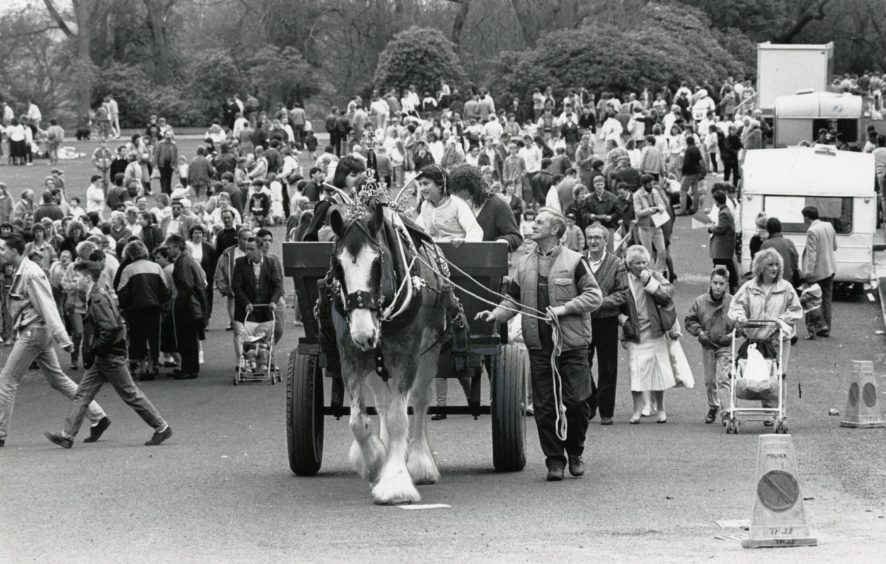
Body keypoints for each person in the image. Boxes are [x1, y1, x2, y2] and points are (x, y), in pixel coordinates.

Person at [476, 209, 602, 481]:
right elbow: (512, 301)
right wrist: (495, 315)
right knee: (545, 407)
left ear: (556, 230)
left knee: (579, 402)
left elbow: (595, 296)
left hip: (572, 345)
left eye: (540, 222)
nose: (533, 225)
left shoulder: (575, 261)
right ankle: (554, 460)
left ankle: (576, 452)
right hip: (539, 346)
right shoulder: (523, 263)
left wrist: (565, 308)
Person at [44, 260, 172, 448]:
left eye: (78, 276)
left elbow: (110, 328)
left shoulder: (96, 298)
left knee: (129, 394)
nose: (75, 280)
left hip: (109, 355)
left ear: (87, 278)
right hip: (106, 355)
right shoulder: (99, 292)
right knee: (83, 394)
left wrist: (96, 347)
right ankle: (67, 435)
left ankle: (161, 427)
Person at [0, 234, 109, 447]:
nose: (1, 253)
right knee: (57, 379)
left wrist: (62, 337)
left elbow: (47, 306)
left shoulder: (31, 273)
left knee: (7, 381)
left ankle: (0, 433)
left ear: (14, 251)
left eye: (4, 249)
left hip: (34, 332)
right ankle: (98, 415)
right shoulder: (23, 270)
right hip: (36, 331)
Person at [728, 248, 803, 423]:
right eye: (770, 264)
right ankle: (768, 410)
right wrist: (741, 317)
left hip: (778, 338)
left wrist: (782, 319)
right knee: (760, 375)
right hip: (755, 339)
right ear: (761, 267)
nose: (774, 268)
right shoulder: (749, 287)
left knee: (779, 374)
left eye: (777, 264)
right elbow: (736, 306)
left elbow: (796, 310)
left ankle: (778, 412)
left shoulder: (786, 288)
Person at [618, 244, 677, 424]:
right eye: (637, 263)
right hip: (634, 331)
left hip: (655, 331)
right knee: (636, 371)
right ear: (630, 264)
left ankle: (660, 408)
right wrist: (622, 321)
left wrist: (651, 283)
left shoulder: (655, 275)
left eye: (644, 262)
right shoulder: (623, 280)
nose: (642, 266)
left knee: (658, 371)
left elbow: (668, 295)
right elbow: (616, 300)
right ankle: (637, 410)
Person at [584, 223, 628, 425]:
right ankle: (591, 400)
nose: (593, 241)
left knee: (608, 367)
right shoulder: (578, 261)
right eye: (590, 237)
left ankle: (606, 412)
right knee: (581, 364)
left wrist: (601, 302)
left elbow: (623, 294)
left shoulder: (617, 263)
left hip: (607, 321)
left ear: (605, 240)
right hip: (582, 321)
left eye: (597, 238)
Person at [684, 266, 734, 424]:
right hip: (708, 344)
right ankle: (713, 406)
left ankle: (727, 412)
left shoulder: (732, 302)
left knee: (723, 378)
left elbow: (741, 323)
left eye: (721, 283)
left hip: (725, 344)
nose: (718, 287)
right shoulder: (700, 302)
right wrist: (699, 332)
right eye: (715, 283)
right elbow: (689, 320)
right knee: (710, 380)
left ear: (726, 284)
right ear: (710, 283)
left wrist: (732, 335)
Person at [116, 240, 169, 381]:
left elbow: (122, 291)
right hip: (154, 308)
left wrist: (124, 308)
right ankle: (152, 365)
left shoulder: (128, 270)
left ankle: (142, 365)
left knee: (138, 338)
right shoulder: (156, 267)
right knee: (153, 337)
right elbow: (165, 289)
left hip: (135, 310)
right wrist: (162, 304)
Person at [231, 235, 283, 366]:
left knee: (267, 335)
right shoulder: (240, 263)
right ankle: (247, 362)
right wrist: (246, 302)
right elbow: (236, 286)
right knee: (247, 336)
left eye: (251, 249)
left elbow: (277, 285)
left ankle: (267, 360)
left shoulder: (270, 263)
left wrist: (273, 301)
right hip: (247, 308)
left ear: (260, 249)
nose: (247, 252)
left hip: (265, 307)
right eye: (246, 249)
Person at [448, 164, 522, 251]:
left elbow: (515, 236)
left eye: (457, 190)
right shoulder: (456, 205)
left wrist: (503, 241)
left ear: (470, 188)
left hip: (488, 260)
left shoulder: (498, 205)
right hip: (461, 260)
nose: (454, 194)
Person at [166, 234, 207, 380]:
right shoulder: (186, 259)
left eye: (170, 248)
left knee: (187, 338)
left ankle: (189, 369)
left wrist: (179, 304)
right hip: (191, 304)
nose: (168, 251)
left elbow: (187, 285)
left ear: (177, 247)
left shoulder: (183, 262)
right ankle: (189, 367)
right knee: (189, 338)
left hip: (188, 305)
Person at [414, 165, 483, 244]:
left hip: (456, 252)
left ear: (440, 184)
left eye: (426, 184)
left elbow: (475, 232)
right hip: (433, 253)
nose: (422, 188)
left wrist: (465, 242)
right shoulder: (425, 206)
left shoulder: (457, 205)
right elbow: (418, 229)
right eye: (420, 184)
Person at [800, 206, 837, 336]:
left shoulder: (812, 231)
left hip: (818, 271)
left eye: (803, 217)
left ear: (807, 217)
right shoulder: (828, 226)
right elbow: (834, 246)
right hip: (830, 268)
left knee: (814, 301)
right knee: (827, 299)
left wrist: (808, 273)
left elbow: (811, 254)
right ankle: (826, 327)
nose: (803, 219)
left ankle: (819, 326)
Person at [632, 174, 668, 275]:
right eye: (648, 185)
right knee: (648, 254)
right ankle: (649, 274)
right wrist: (649, 210)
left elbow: (662, 204)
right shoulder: (637, 195)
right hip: (645, 228)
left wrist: (661, 207)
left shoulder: (655, 192)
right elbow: (638, 212)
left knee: (662, 252)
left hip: (657, 225)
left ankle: (658, 273)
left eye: (652, 184)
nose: (651, 186)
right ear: (643, 185)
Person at [707, 190, 738, 293]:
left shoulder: (724, 213)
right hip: (724, 245)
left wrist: (711, 228)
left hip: (722, 245)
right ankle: (733, 285)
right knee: (728, 265)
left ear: (717, 201)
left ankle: (717, 285)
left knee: (719, 265)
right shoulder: (725, 210)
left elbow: (720, 229)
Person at [759, 217, 799, 288]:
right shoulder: (789, 243)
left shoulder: (765, 245)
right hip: (789, 282)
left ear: (768, 230)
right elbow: (795, 262)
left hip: (772, 283)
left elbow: (760, 265)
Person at [680, 135, 705, 214]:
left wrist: (683, 172)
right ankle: (695, 208)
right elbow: (701, 160)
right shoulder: (697, 149)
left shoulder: (688, 150)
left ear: (687, 142)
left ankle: (683, 209)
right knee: (695, 190)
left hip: (689, 172)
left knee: (683, 190)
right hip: (696, 171)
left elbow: (686, 163)